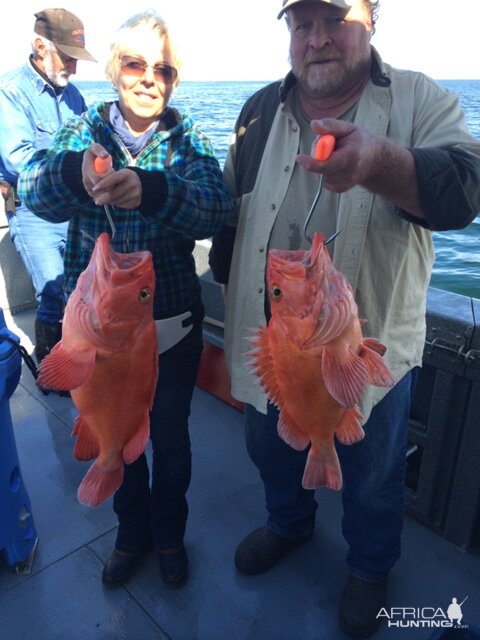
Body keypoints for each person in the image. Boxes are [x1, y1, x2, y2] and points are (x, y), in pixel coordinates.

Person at [208, 0, 480, 637]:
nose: (318, 38)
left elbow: (467, 188)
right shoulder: (254, 112)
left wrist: (383, 163)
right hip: (271, 348)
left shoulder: (422, 99)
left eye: (336, 18)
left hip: (367, 358)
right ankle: (287, 522)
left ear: (373, 20)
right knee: (267, 449)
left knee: (373, 475)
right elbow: (230, 216)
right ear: (288, 34)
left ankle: (369, 565)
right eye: (302, 23)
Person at [18, 10, 232, 587]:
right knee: (117, 430)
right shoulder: (80, 134)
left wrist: (154, 189)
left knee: (169, 436)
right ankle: (131, 531)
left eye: (162, 69)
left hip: (173, 334)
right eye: (135, 64)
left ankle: (168, 535)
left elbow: (217, 206)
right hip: (100, 341)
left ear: (174, 81)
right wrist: (72, 173)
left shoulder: (192, 141)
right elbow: (34, 193)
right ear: (114, 70)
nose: (148, 78)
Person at [0, 8, 96, 367]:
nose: (74, 68)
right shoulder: (10, 91)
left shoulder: (73, 97)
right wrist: (74, 167)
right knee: (53, 292)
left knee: (82, 290)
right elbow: (16, 159)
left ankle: (80, 364)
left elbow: (92, 139)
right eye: (68, 58)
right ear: (41, 47)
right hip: (32, 210)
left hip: (75, 211)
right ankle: (52, 368)